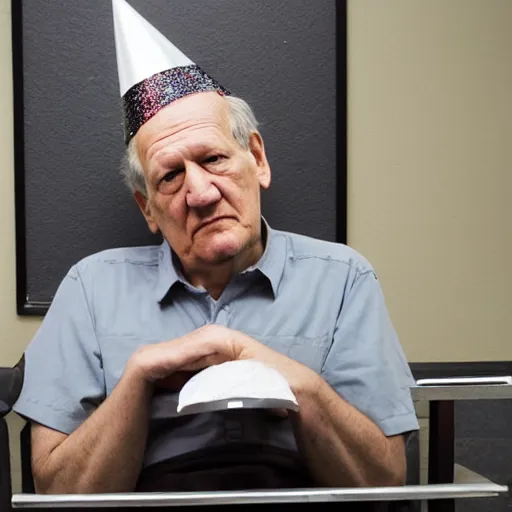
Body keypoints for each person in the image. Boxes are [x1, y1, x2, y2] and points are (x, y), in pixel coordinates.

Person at [13, 0, 419, 494]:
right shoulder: (90, 288)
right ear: (148, 209)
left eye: (214, 158)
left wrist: (276, 371)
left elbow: (384, 478)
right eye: (171, 176)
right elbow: (59, 493)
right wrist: (138, 377)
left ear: (257, 160)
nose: (201, 193)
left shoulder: (343, 279)